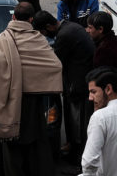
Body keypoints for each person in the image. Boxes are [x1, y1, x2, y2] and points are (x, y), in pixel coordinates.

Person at [0, 2, 63, 176]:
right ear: (31, 20)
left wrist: (6, 81)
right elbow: (54, 65)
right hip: (34, 102)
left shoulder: (2, 40)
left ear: (14, 18)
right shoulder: (37, 39)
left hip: (9, 102)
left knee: (11, 145)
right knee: (38, 144)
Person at [32, 10, 95, 164]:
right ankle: (74, 150)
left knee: (77, 125)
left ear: (48, 27)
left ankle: (78, 160)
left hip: (78, 86)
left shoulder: (64, 36)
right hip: (79, 82)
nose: (44, 36)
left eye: (43, 32)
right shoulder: (70, 27)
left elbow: (55, 63)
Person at [86, 11, 117, 95]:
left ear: (100, 29)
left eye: (90, 28)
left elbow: (102, 79)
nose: (87, 30)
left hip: (109, 94)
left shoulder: (104, 50)